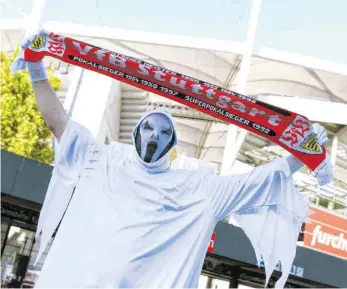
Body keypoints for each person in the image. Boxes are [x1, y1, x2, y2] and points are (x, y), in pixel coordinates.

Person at [24, 58, 327, 288]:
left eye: (164, 131)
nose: (154, 135)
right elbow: (56, 121)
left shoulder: (198, 189)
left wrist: (302, 152)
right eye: (149, 127)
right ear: (136, 131)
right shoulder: (103, 160)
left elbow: (258, 181)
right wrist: (37, 71)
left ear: (172, 142)